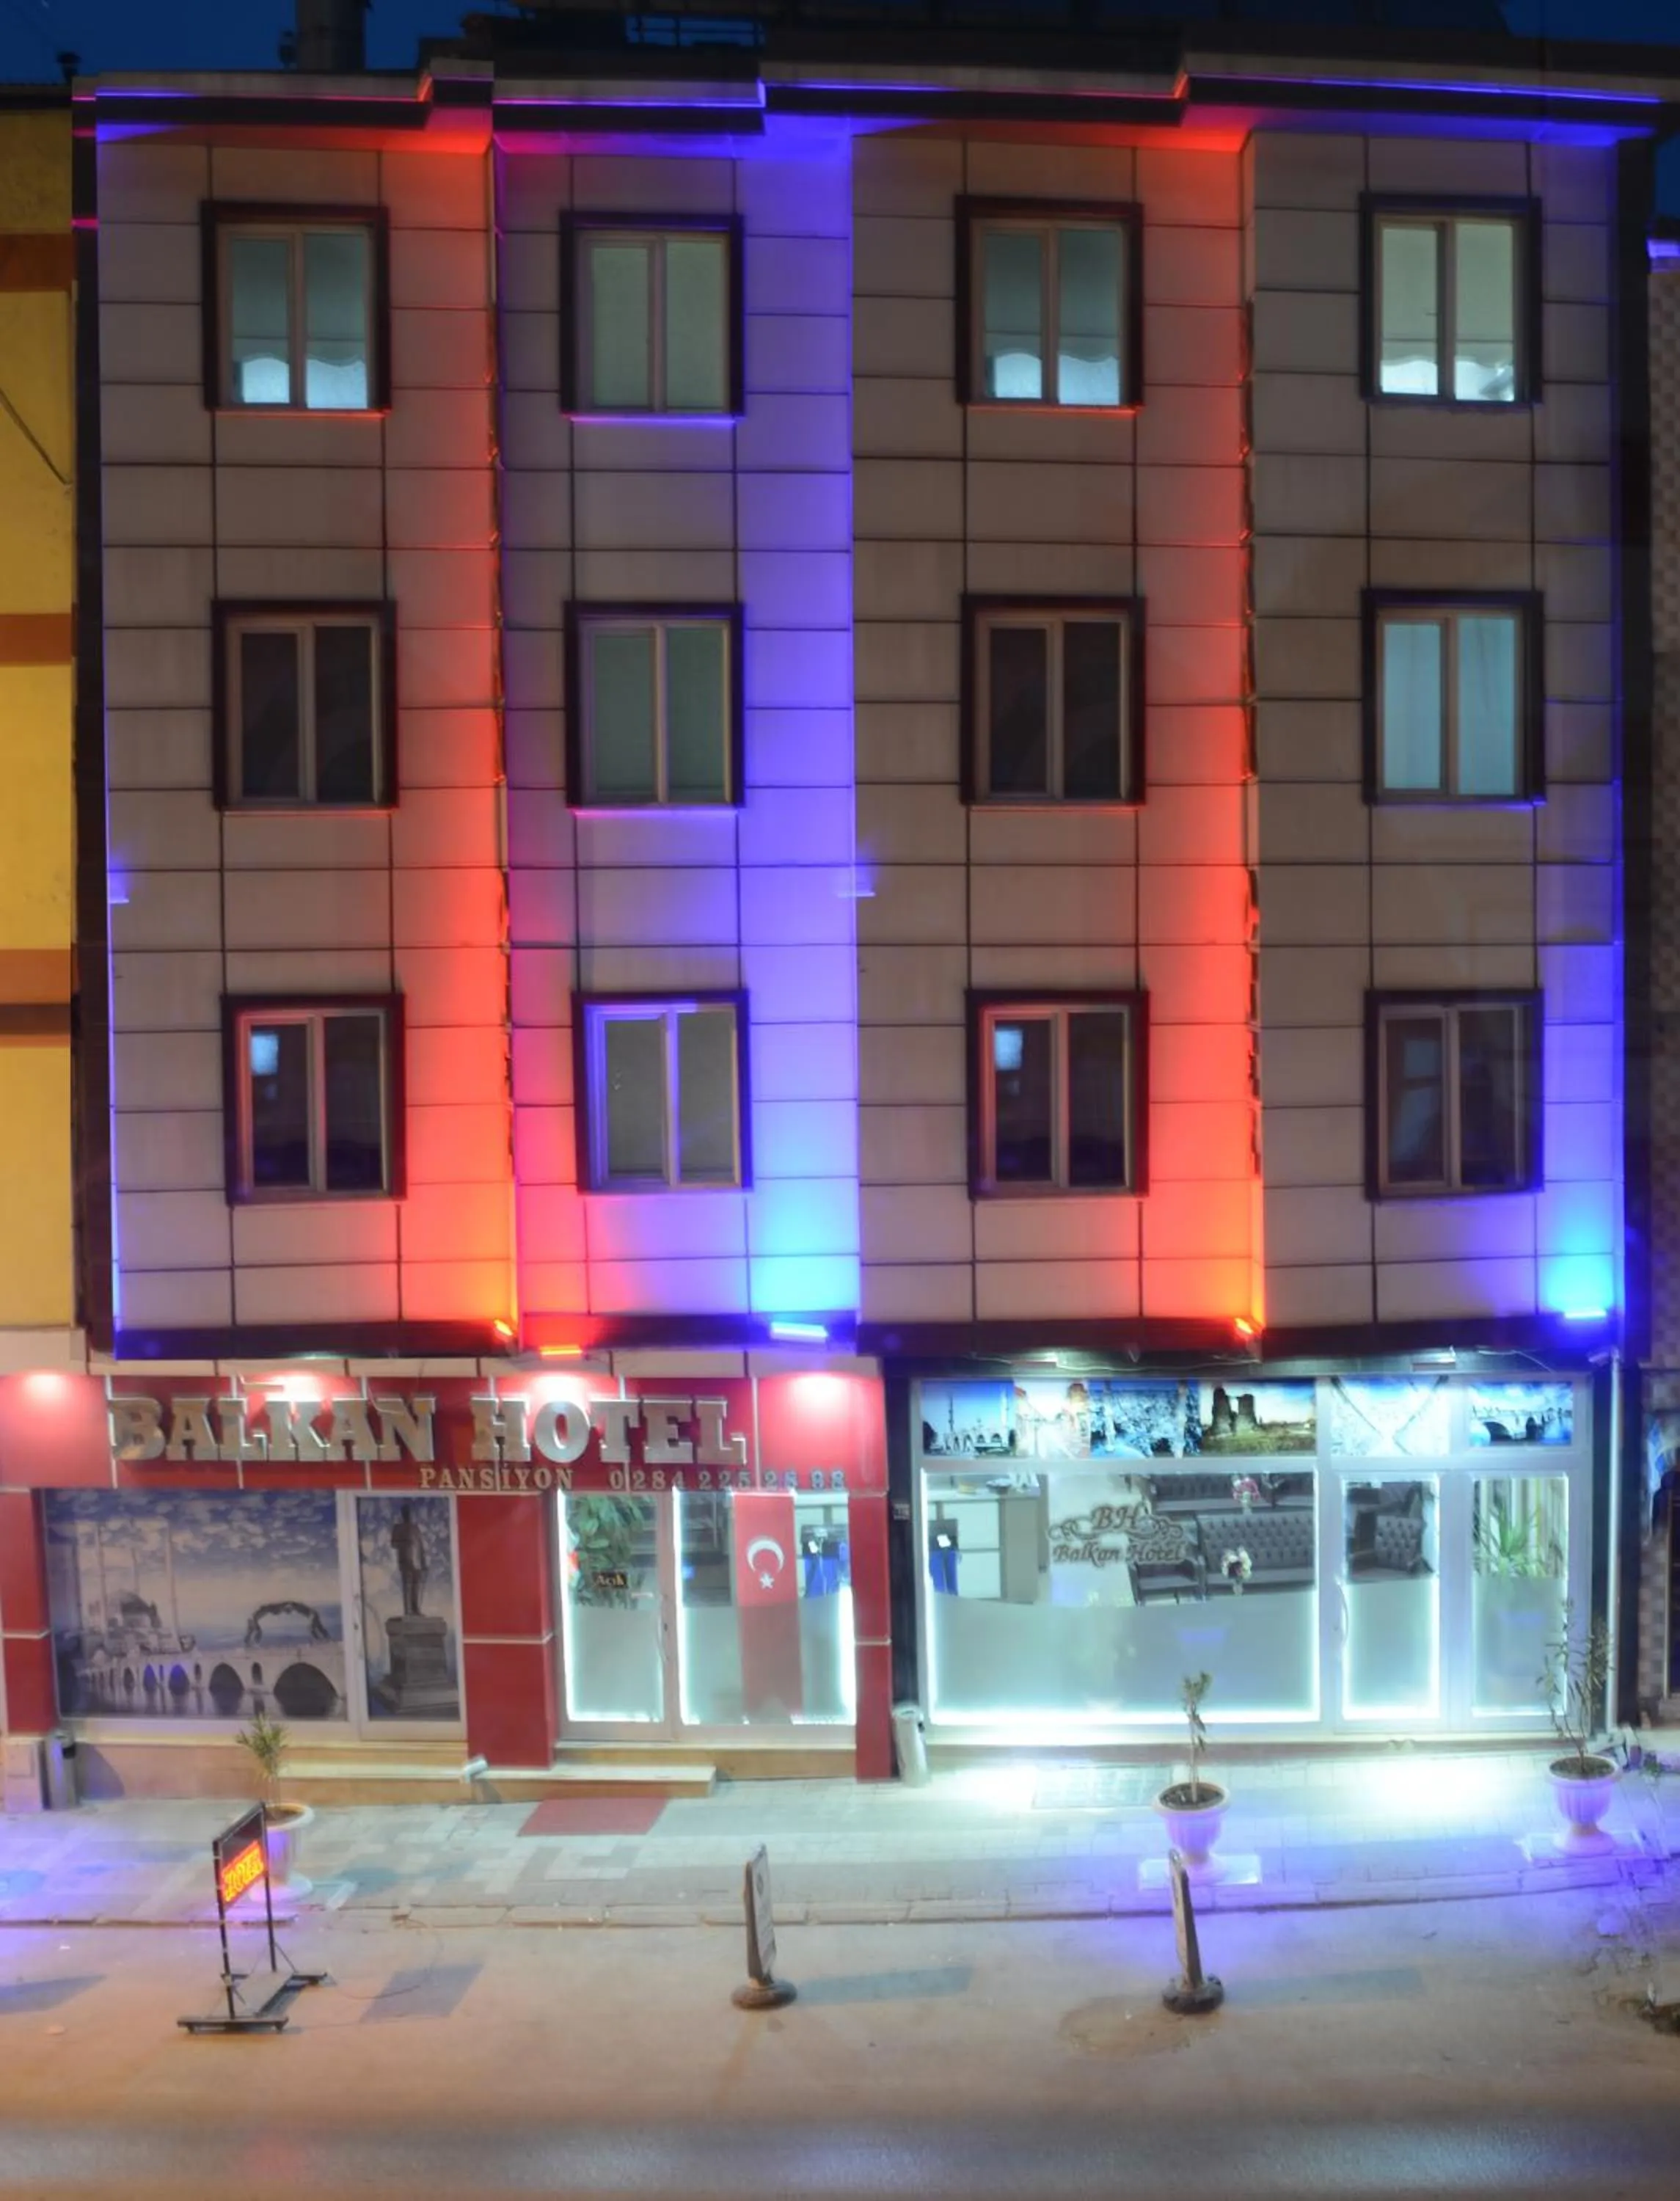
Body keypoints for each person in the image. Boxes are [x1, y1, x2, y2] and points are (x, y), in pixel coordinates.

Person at [390, 1503, 428, 1618]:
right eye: (406, 1513)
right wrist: (405, 1542)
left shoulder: (415, 1528)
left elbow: (421, 1546)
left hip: (416, 1562)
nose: (408, 1515)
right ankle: (408, 1611)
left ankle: (416, 1609)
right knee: (407, 1585)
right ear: (403, 1514)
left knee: (416, 1585)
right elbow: (393, 1544)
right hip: (405, 1560)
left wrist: (424, 1562)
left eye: (409, 1513)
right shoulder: (398, 1528)